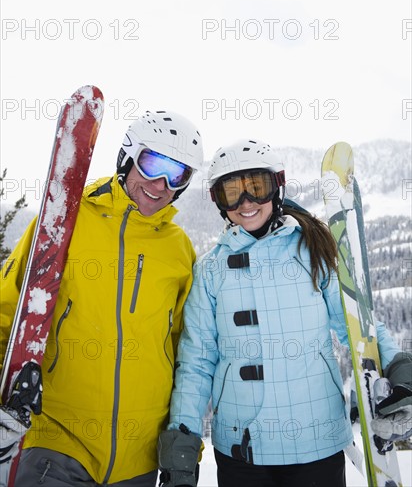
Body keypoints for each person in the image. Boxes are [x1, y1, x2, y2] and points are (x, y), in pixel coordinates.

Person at [157, 138, 412, 487]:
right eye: (232, 192)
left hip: (316, 444)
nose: (246, 202)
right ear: (219, 202)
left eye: (257, 187)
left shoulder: (313, 249)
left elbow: (357, 324)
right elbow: (197, 361)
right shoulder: (211, 270)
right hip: (242, 448)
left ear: (276, 187)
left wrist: (398, 364)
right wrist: (182, 439)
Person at [0, 110, 204, 486]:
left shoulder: (179, 250)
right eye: (152, 163)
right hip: (57, 442)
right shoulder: (64, 218)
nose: (160, 184)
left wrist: (183, 443)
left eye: (177, 175)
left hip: (138, 456)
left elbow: (188, 351)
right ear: (127, 156)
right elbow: (8, 308)